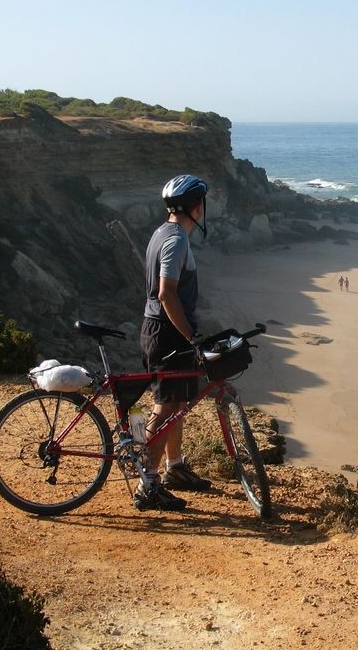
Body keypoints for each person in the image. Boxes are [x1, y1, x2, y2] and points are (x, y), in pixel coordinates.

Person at [135, 174, 213, 511]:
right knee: (166, 405)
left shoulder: (162, 232)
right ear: (197, 207)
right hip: (167, 335)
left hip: (161, 330)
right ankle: (147, 485)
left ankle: (175, 468)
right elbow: (167, 293)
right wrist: (190, 336)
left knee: (176, 402)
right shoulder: (177, 240)